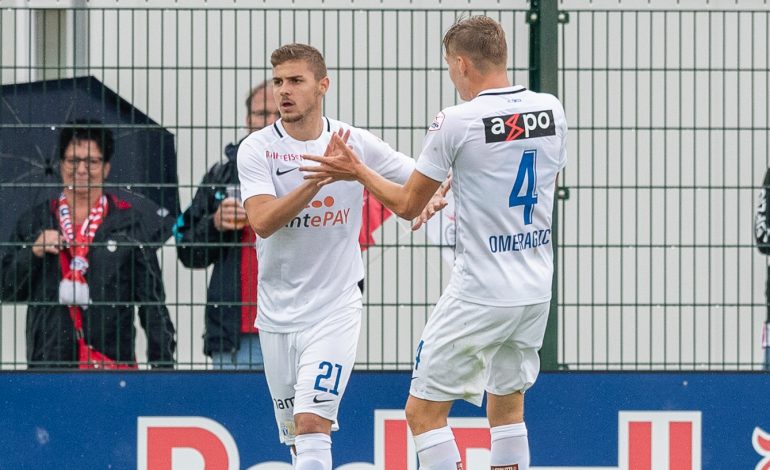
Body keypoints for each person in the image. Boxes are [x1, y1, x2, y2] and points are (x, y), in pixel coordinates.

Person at [302, 16, 567, 470]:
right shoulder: (551, 109)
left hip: (480, 291)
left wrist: (357, 171)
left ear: (462, 64)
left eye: (449, 66)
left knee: (423, 413)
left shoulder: (456, 121)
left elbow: (407, 205)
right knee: (507, 406)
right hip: (534, 287)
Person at [236, 43, 417, 469]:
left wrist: (427, 199)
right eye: (279, 81)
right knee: (297, 440)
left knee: (313, 421)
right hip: (277, 315)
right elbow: (262, 221)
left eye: (296, 81)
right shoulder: (257, 149)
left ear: (323, 85)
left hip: (335, 307)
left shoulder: (353, 144)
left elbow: (416, 180)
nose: (284, 91)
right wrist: (317, 181)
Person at [0, 120, 177, 369]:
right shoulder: (36, 220)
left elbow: (152, 305)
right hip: (47, 366)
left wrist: (164, 371)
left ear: (106, 168)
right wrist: (33, 251)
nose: (82, 169)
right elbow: (5, 289)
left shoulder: (128, 223)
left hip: (111, 366)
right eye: (73, 160)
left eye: (92, 161)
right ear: (61, 165)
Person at [174, 81, 280, 370]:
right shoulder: (220, 176)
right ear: (248, 121)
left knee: (295, 416)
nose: (268, 121)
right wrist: (215, 224)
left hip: (290, 331)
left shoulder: (304, 172)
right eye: (260, 114)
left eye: (277, 113)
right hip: (235, 336)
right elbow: (186, 250)